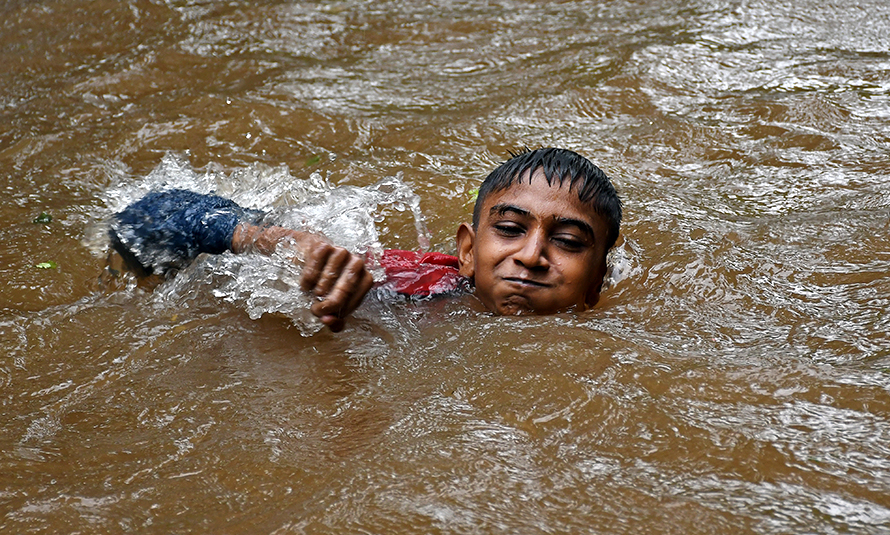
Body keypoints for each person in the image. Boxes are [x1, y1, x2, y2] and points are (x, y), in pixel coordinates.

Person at [109, 147, 622, 332]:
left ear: (599, 279)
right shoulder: (395, 283)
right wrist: (280, 243)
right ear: (467, 251)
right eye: (509, 230)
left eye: (569, 242)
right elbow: (139, 223)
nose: (531, 256)